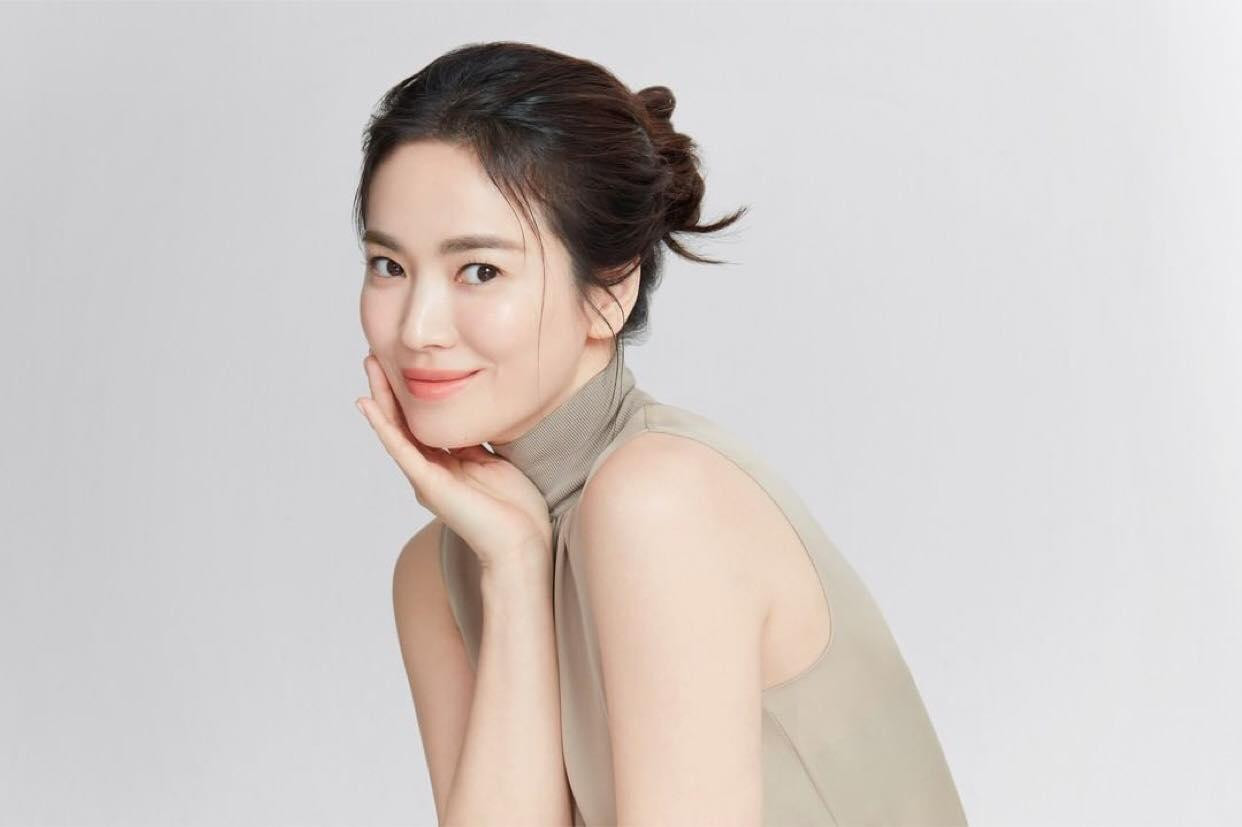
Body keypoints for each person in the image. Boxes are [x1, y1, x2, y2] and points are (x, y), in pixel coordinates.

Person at [354, 40, 967, 827]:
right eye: (389, 265)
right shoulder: (439, 572)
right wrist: (513, 568)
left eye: (480, 270)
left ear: (610, 291)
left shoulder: (657, 501)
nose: (417, 327)